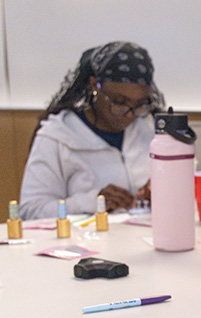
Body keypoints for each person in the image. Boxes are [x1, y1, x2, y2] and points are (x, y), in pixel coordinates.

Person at [19, 41, 164, 220]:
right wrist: (90, 202)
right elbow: (30, 210)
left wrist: (165, 190)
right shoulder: (58, 136)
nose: (129, 114)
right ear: (95, 85)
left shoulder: (151, 129)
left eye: (140, 104)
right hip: (85, 243)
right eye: (118, 102)